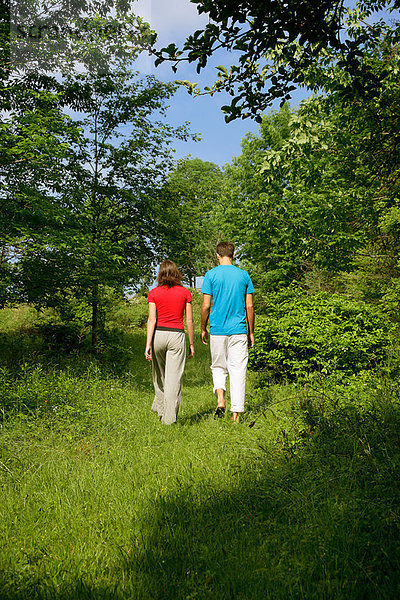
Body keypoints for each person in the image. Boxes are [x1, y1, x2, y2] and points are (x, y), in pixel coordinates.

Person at [201, 242, 255, 422]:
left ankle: (221, 400)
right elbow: (249, 306)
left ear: (218, 254)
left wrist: (203, 328)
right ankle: (236, 415)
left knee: (218, 367)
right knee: (238, 370)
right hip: (239, 330)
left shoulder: (211, 275)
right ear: (233, 255)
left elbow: (206, 305)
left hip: (217, 330)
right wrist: (251, 332)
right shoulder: (244, 275)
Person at [145, 260, 195, 425]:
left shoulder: (153, 293)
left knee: (160, 376)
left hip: (158, 335)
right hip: (176, 336)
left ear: (160, 274)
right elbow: (189, 320)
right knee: (173, 379)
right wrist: (192, 343)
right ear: (176, 273)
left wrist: (148, 344)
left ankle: (161, 410)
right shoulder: (185, 292)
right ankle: (169, 419)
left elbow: (151, 320)